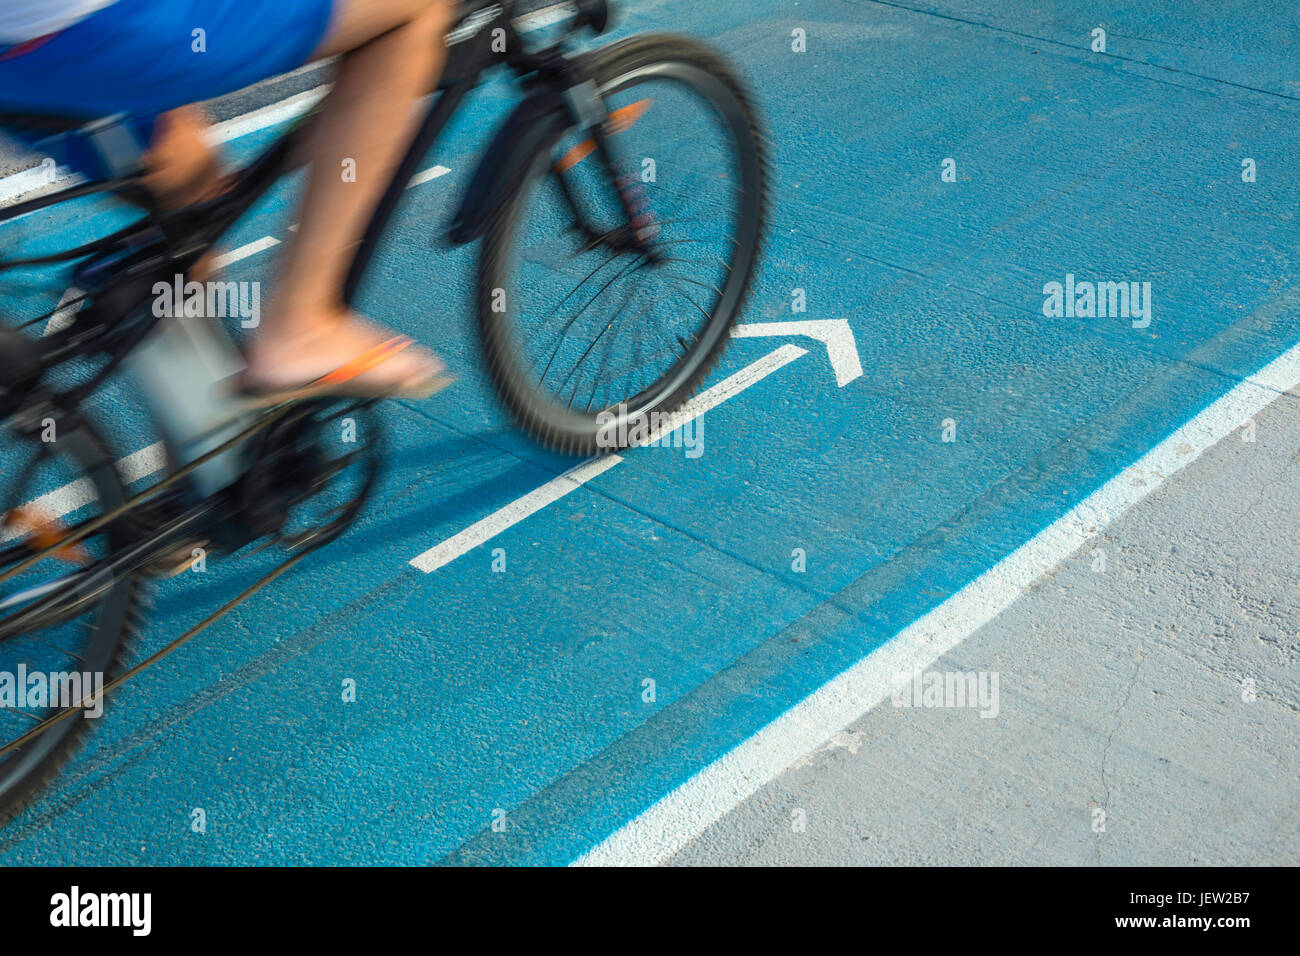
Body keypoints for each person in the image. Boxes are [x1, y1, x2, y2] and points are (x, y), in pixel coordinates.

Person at [0, 0, 456, 403]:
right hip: (85, 31)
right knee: (413, 10)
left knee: (192, 190)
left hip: (16, 55)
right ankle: (300, 327)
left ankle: (200, 464)